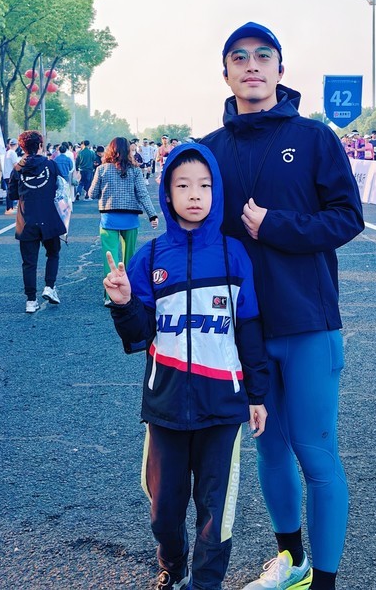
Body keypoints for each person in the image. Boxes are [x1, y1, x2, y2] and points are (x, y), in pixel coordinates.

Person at [201, 22, 364, 590]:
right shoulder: (210, 150)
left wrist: (276, 226)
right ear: (226, 73)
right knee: (269, 450)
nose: (252, 65)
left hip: (308, 324)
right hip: (242, 330)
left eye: (263, 56)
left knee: (316, 454)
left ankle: (326, 581)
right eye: (239, 57)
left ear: (279, 69)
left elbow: (347, 218)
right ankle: (291, 563)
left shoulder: (315, 138)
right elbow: (194, 232)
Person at [105, 143, 269, 590]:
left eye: (204, 186)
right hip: (167, 405)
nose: (194, 194)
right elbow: (139, 336)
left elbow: (249, 329)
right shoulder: (151, 257)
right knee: (164, 509)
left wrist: (257, 394)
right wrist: (123, 303)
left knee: (216, 511)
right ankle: (172, 566)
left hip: (223, 405)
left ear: (217, 192)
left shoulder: (235, 254)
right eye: (183, 186)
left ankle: (205, 583)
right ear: (167, 193)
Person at [89, 136, 159, 307]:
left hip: (109, 218)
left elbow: (92, 193)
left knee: (110, 258)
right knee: (130, 257)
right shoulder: (135, 170)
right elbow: (142, 194)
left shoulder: (102, 169)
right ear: (128, 150)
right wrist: (152, 215)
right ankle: (129, 291)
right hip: (130, 218)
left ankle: (110, 295)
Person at [8, 130, 67, 314]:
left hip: (26, 220)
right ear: (40, 145)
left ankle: (31, 300)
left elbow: (12, 195)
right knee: (53, 253)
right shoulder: (51, 165)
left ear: (22, 147)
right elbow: (59, 186)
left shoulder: (17, 168)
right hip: (49, 217)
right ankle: (49, 286)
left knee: (29, 262)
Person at [3, 138, 20, 214]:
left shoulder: (7, 152)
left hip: (6, 174)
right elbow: (15, 165)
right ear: (16, 145)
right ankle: (9, 208)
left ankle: (9, 208)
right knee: (11, 191)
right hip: (11, 175)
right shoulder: (13, 153)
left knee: (9, 191)